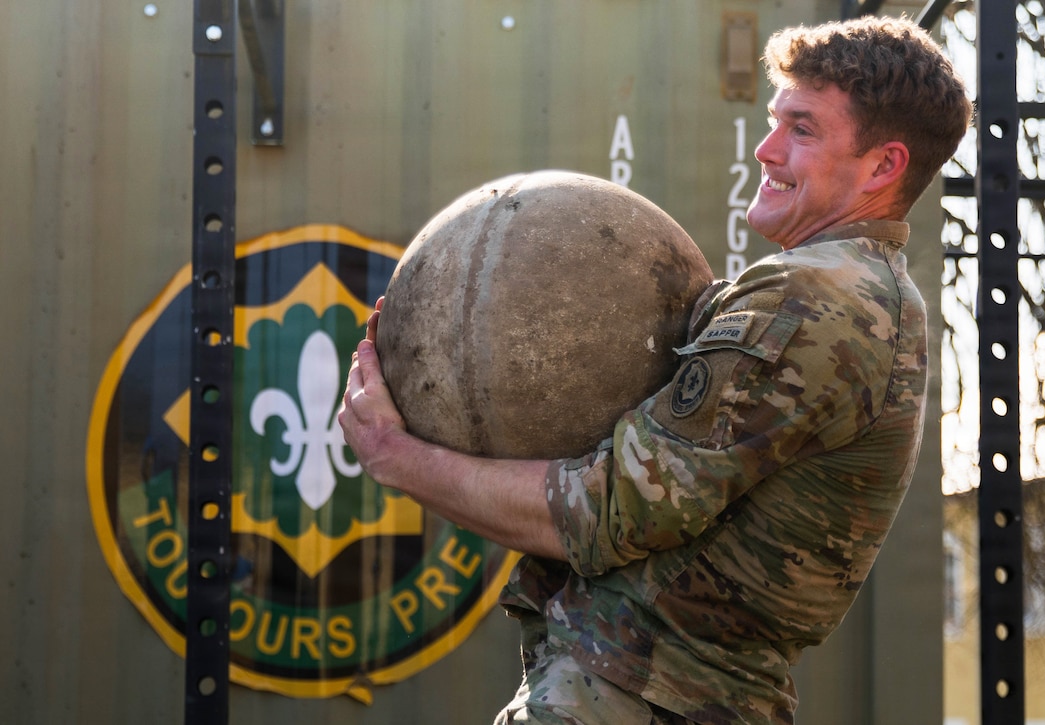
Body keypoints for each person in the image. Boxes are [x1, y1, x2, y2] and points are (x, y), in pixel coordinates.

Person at [339, 14, 973, 724]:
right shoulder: (868, 295)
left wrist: (397, 456)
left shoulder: (817, 299)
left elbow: (603, 510)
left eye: (802, 129)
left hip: (636, 697)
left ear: (884, 166)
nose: (765, 151)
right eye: (773, 122)